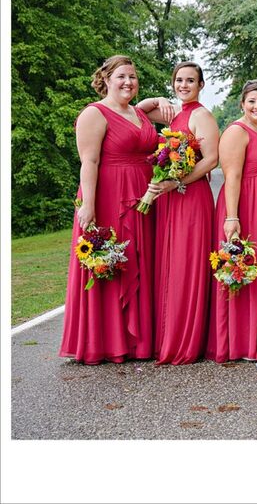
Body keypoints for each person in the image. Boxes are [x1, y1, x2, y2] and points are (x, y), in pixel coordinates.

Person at [60, 55, 158, 364]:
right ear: (106, 79)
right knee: (113, 263)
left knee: (137, 262)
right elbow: (89, 161)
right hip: (108, 198)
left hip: (142, 199)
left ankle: (137, 343)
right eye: (121, 76)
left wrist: (158, 99)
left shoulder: (137, 113)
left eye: (132, 76)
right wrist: (88, 205)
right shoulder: (94, 113)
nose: (128, 81)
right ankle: (107, 341)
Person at [136, 61, 219, 365]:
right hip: (168, 199)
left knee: (186, 263)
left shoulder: (202, 116)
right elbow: (136, 112)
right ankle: (167, 336)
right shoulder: (173, 113)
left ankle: (186, 341)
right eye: (179, 81)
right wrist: (157, 101)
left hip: (189, 196)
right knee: (167, 264)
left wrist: (176, 181)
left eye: (190, 81)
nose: (184, 85)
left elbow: (211, 160)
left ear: (201, 85)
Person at [205, 80, 257, 363]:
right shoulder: (237, 132)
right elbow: (232, 177)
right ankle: (239, 342)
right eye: (252, 101)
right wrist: (232, 217)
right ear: (242, 104)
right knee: (244, 268)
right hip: (246, 207)